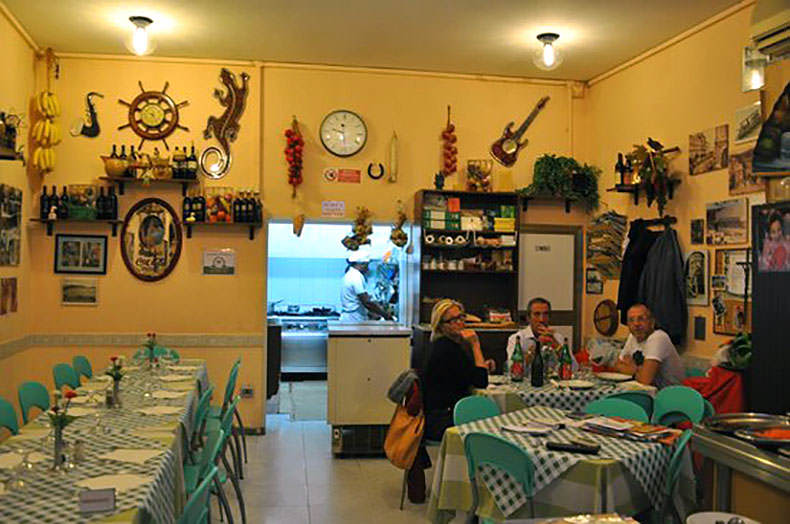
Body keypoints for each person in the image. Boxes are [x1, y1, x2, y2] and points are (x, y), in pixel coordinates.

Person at [406, 299, 492, 503]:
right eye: (453, 320)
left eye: (461, 317)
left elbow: (466, 375)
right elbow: (481, 382)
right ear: (442, 325)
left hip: (435, 415)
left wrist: (480, 365)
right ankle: (482, 487)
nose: (459, 323)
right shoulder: (449, 349)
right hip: (444, 419)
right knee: (492, 422)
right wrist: (476, 345)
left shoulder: (440, 345)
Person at [613, 303, 684, 389]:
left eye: (641, 319)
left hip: (670, 395)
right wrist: (639, 371)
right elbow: (617, 366)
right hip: (646, 391)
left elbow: (645, 380)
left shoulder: (658, 337)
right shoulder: (633, 336)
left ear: (652, 322)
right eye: (631, 320)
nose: (636, 324)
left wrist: (633, 369)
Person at [505, 297, 576, 371]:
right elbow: (511, 369)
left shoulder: (558, 338)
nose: (541, 319)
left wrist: (556, 345)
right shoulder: (516, 338)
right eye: (537, 314)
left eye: (545, 314)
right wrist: (536, 346)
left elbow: (574, 368)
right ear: (528, 318)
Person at [339, 250, 392, 322]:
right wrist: (385, 315)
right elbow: (366, 302)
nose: (368, 268)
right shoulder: (356, 277)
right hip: (354, 318)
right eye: (367, 265)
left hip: (351, 317)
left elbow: (361, 297)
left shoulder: (350, 274)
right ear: (362, 264)